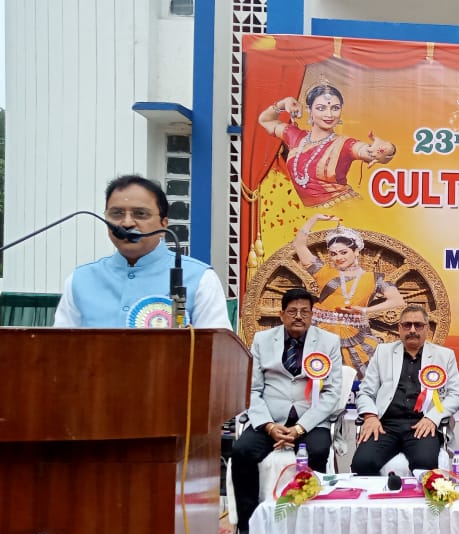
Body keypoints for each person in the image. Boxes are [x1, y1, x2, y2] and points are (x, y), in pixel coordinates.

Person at [224, 288, 343, 534]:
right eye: (293, 311)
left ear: (312, 315)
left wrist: (300, 428)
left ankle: (312, 528)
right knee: (242, 452)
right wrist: (268, 425)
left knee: (318, 450)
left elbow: (332, 393)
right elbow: (252, 389)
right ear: (281, 314)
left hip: (310, 420)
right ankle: (248, 530)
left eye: (305, 312)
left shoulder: (329, 342)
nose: (299, 316)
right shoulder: (262, 340)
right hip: (271, 419)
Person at [53, 175, 231, 329]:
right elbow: (58, 348)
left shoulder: (199, 279)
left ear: (163, 225)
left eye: (140, 214)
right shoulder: (80, 280)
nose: (127, 223)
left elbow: (218, 351)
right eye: (116, 214)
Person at [352, 305, 459, 475]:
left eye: (418, 325)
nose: (412, 330)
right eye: (407, 325)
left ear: (427, 329)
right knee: (362, 464)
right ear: (399, 328)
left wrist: (432, 418)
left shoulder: (444, 355)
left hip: (423, 424)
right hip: (385, 425)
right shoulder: (383, 352)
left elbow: (455, 395)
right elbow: (365, 392)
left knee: (425, 465)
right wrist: (370, 416)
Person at [292, 213, 405, 377]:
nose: (338, 258)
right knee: (316, 374)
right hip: (320, 331)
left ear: (356, 251)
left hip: (355, 334)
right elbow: (299, 245)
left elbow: (397, 300)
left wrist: (365, 311)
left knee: (358, 376)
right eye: (333, 254)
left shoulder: (374, 279)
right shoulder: (323, 272)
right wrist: (314, 218)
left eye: (343, 252)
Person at [259, 80, 396, 208]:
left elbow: (365, 151)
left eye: (335, 108)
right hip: (310, 215)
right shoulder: (295, 136)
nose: (329, 114)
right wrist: (282, 104)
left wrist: (384, 150)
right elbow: (265, 120)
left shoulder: (344, 144)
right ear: (309, 110)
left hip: (343, 210)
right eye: (321, 108)